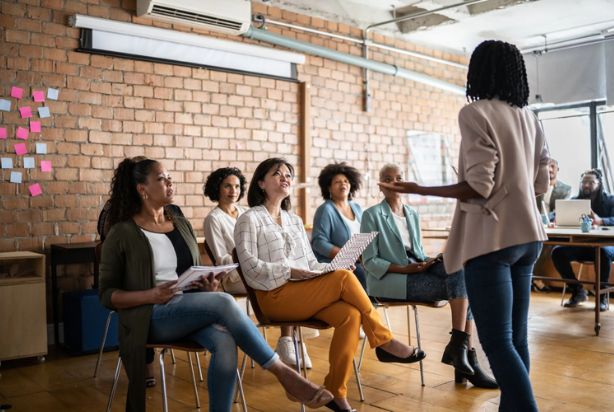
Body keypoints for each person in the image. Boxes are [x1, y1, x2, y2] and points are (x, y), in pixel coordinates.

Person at [380, 41, 549, 412]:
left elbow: (479, 186)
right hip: (530, 237)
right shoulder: (530, 118)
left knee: (497, 340)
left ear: (478, 71)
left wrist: (417, 188)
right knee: (516, 337)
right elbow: (541, 185)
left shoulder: (475, 113)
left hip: (492, 239)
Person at [99, 157, 333, 412]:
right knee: (223, 301)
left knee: (224, 342)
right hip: (149, 316)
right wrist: (151, 294)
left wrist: (205, 284)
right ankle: (284, 373)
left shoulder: (177, 218)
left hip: (186, 306)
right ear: (142, 189)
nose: (170, 182)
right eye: (162, 179)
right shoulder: (122, 232)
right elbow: (107, 295)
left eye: (169, 177)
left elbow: (189, 268)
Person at [234, 158, 426, 412]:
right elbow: (249, 268)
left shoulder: (294, 220)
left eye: (288, 175)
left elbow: (311, 263)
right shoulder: (250, 218)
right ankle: (384, 341)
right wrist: (290, 270)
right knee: (346, 279)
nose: (285, 178)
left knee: (350, 314)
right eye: (277, 174)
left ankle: (336, 390)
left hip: (303, 292)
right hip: (273, 296)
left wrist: (329, 269)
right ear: (261, 182)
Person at [361, 164, 497, 389]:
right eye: (388, 178)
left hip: (417, 269)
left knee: (463, 267)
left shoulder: (412, 213)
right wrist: (407, 269)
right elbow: (369, 261)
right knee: (466, 285)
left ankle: (459, 348)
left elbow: (417, 252)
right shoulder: (371, 215)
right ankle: (465, 356)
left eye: (399, 177)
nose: (394, 182)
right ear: (380, 186)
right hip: (391, 280)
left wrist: (430, 261)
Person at [203, 167, 314, 368]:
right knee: (285, 277)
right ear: (216, 188)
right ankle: (288, 341)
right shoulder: (214, 219)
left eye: (237, 186)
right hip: (235, 275)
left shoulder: (248, 212)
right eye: (227, 186)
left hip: (261, 267)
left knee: (289, 273)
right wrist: (252, 258)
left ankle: (292, 340)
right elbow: (222, 259)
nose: (233, 190)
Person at [551, 169, 614, 311]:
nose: (586, 185)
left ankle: (602, 296)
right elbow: (555, 214)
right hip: (582, 245)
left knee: (602, 252)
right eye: (584, 182)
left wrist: (601, 221)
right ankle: (577, 291)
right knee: (557, 252)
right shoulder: (574, 201)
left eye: (591, 182)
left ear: (599, 184)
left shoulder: (611, 201)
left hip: (608, 246)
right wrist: (552, 219)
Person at [311, 162, 367, 290]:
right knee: (361, 274)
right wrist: (348, 255)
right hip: (338, 264)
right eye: (337, 182)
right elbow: (319, 243)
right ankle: (368, 308)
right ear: (329, 188)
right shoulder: (325, 210)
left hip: (361, 260)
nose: (343, 184)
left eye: (346, 181)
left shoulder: (357, 208)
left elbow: (366, 233)